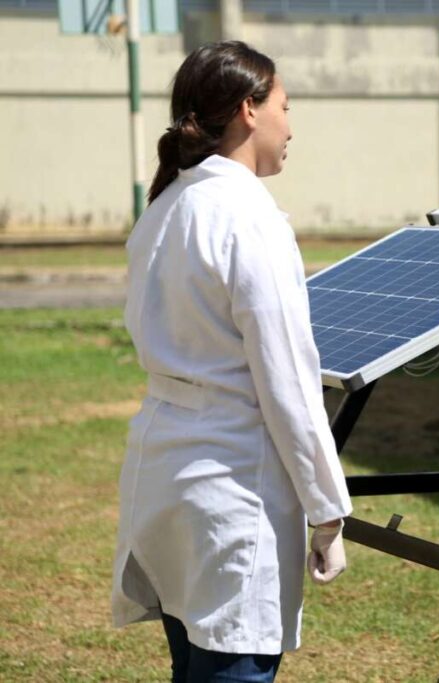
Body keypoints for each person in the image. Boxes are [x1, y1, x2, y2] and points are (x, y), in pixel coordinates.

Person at [111, 41, 352, 682]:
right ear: (249, 109)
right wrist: (328, 512)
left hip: (163, 479)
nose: (291, 126)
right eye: (285, 106)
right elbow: (289, 385)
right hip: (231, 492)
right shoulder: (249, 217)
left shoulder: (163, 210)